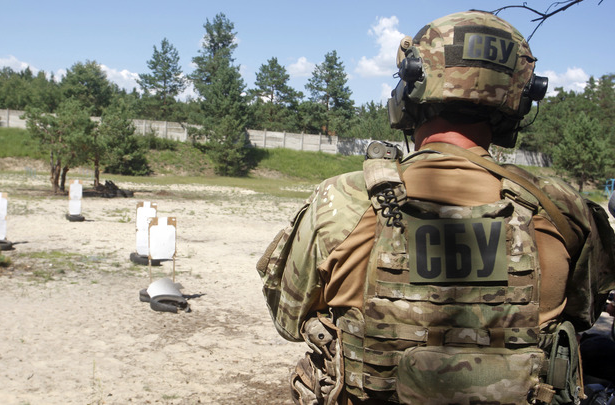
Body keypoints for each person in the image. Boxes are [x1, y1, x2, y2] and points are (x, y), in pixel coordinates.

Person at [257, 10, 615, 405]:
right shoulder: (566, 211)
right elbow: (586, 313)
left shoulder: (341, 200)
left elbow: (288, 318)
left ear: (412, 90)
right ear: (518, 101)